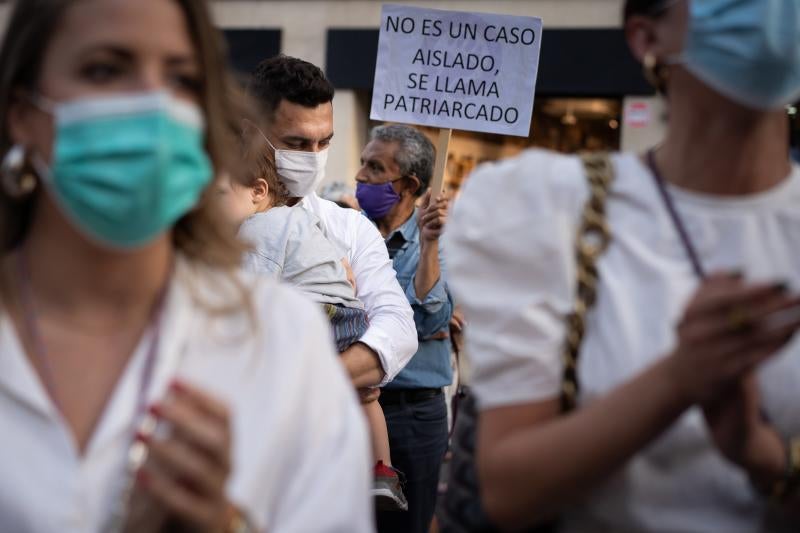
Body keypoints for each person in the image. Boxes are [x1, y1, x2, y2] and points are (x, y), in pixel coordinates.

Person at [0, 1, 372, 532]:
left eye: (181, 78)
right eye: (106, 69)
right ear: (22, 112)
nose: (153, 105)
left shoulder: (280, 340)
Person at [445, 0, 800, 531]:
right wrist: (680, 379)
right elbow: (509, 489)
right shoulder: (552, 207)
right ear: (646, 37)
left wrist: (764, 454)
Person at [216, 122, 408, 510]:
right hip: (347, 315)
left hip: (319, 314)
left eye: (217, 194)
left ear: (258, 191)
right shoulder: (295, 218)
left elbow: (251, 295)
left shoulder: (257, 228)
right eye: (297, 142)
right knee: (366, 397)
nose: (311, 154)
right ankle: (382, 470)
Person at [355, 124, 454, 533]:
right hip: (352, 406)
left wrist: (429, 246)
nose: (360, 176)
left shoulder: (441, 239)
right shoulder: (346, 231)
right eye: (363, 163)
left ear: (408, 184)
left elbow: (428, 321)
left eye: (375, 168)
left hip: (413, 416)